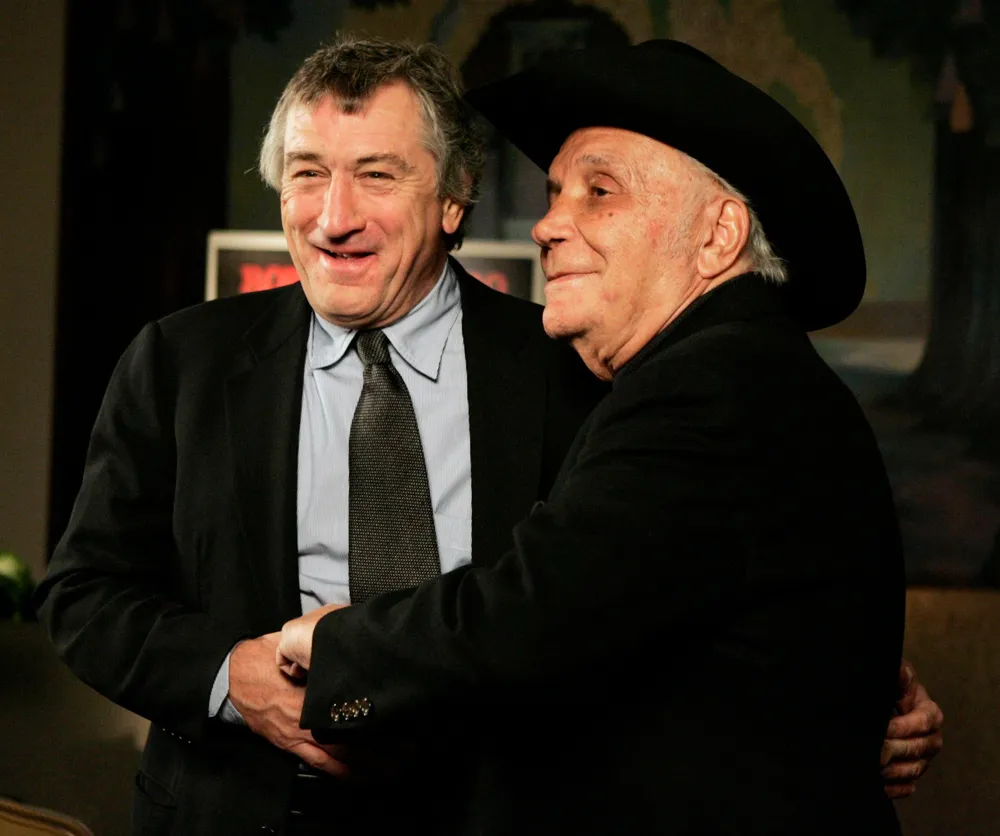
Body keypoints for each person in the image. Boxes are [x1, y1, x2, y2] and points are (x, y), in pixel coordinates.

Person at [34, 34, 939, 836]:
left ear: (455, 199)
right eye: (307, 173)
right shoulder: (179, 362)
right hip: (242, 810)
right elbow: (82, 593)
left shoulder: (585, 367)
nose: (332, 216)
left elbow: (603, 592)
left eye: (377, 175)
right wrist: (236, 677)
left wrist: (837, 687)